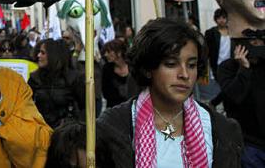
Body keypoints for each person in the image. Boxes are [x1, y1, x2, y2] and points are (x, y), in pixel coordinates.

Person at [97, 18, 243, 167]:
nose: (184, 74)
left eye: (191, 65)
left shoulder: (221, 128)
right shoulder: (112, 128)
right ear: (148, 69)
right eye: (171, 64)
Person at [218, 43, 265, 166]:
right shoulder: (227, 67)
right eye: (252, 41)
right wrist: (244, 68)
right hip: (249, 144)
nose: (257, 44)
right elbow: (234, 96)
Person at [28, 39, 80, 128]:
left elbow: (82, 107)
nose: (38, 55)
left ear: (53, 56)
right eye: (39, 52)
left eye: (43, 53)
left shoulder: (71, 79)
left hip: (65, 132)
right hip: (40, 130)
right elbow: (27, 105)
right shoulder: (34, 78)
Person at [101, 39, 138, 108]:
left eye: (109, 52)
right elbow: (106, 93)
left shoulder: (133, 67)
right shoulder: (107, 69)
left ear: (119, 52)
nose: (106, 54)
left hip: (132, 108)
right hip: (114, 109)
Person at [205, 9, 231, 79]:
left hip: (231, 64)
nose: (221, 20)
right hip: (217, 64)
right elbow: (207, 50)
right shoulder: (210, 33)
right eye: (219, 18)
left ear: (227, 19)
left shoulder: (232, 31)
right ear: (215, 19)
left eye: (224, 17)